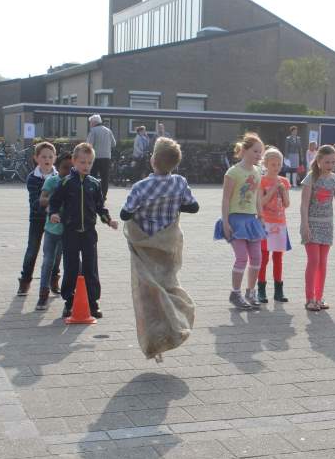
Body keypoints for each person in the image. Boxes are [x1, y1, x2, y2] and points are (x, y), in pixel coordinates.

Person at [120, 137, 199, 361]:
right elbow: (193, 207)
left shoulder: (141, 187)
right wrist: (174, 203)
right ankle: (176, 323)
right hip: (167, 247)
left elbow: (125, 214)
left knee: (148, 294)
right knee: (168, 285)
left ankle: (156, 339)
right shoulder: (180, 182)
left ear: (153, 159)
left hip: (145, 248)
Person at [49, 143, 119, 319]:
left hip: (89, 233)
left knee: (91, 267)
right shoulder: (66, 182)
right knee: (71, 267)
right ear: (74, 161)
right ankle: (69, 302)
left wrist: (108, 220)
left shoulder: (94, 184)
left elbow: (100, 207)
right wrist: (54, 214)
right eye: (82, 162)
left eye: (89, 162)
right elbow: (55, 201)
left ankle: (93, 302)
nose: (86, 166)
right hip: (70, 233)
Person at [213, 132, 267, 310]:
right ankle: (235, 293)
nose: (259, 155)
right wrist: (225, 222)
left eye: (261, 152)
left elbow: (258, 196)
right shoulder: (233, 172)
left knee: (257, 258)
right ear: (244, 150)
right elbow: (226, 199)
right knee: (242, 257)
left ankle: (250, 292)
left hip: (252, 221)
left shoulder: (258, 172)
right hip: (236, 220)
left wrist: (261, 215)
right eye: (256, 151)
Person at [300, 145, 335, 311]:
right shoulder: (310, 178)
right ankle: (309, 299)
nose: (330, 165)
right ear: (319, 161)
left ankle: (319, 298)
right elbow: (304, 204)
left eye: (332, 162)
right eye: (326, 162)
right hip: (312, 224)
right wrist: (305, 225)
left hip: (327, 225)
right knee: (313, 261)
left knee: (322, 263)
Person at [17, 142, 56, 296]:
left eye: (50, 156)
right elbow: (35, 201)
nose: (47, 159)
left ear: (55, 158)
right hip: (37, 218)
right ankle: (25, 281)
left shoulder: (59, 177)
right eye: (44, 156)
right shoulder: (32, 178)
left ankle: (53, 280)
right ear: (36, 158)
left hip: (55, 221)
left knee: (54, 253)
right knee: (32, 250)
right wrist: (48, 208)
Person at [35, 152, 71, 311]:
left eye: (71, 168)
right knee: (48, 260)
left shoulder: (75, 183)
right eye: (64, 168)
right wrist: (56, 198)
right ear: (58, 167)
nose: (68, 171)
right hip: (51, 229)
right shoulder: (52, 180)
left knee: (58, 259)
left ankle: (55, 281)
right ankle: (43, 294)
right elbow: (42, 200)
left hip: (68, 230)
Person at [257, 148, 291, 304]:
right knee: (263, 258)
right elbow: (261, 203)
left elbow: (287, 204)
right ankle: (261, 290)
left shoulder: (284, 181)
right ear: (266, 164)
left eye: (279, 164)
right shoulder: (262, 180)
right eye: (273, 164)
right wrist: (271, 191)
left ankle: (279, 290)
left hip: (280, 223)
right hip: (265, 223)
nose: (276, 167)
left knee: (278, 258)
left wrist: (283, 191)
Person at [87, 114, 116, 201]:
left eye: (90, 122)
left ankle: (94, 194)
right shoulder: (108, 130)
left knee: (93, 177)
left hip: (95, 157)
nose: (90, 124)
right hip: (107, 157)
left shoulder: (93, 131)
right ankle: (103, 196)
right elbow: (114, 144)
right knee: (105, 177)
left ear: (94, 122)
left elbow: (89, 145)